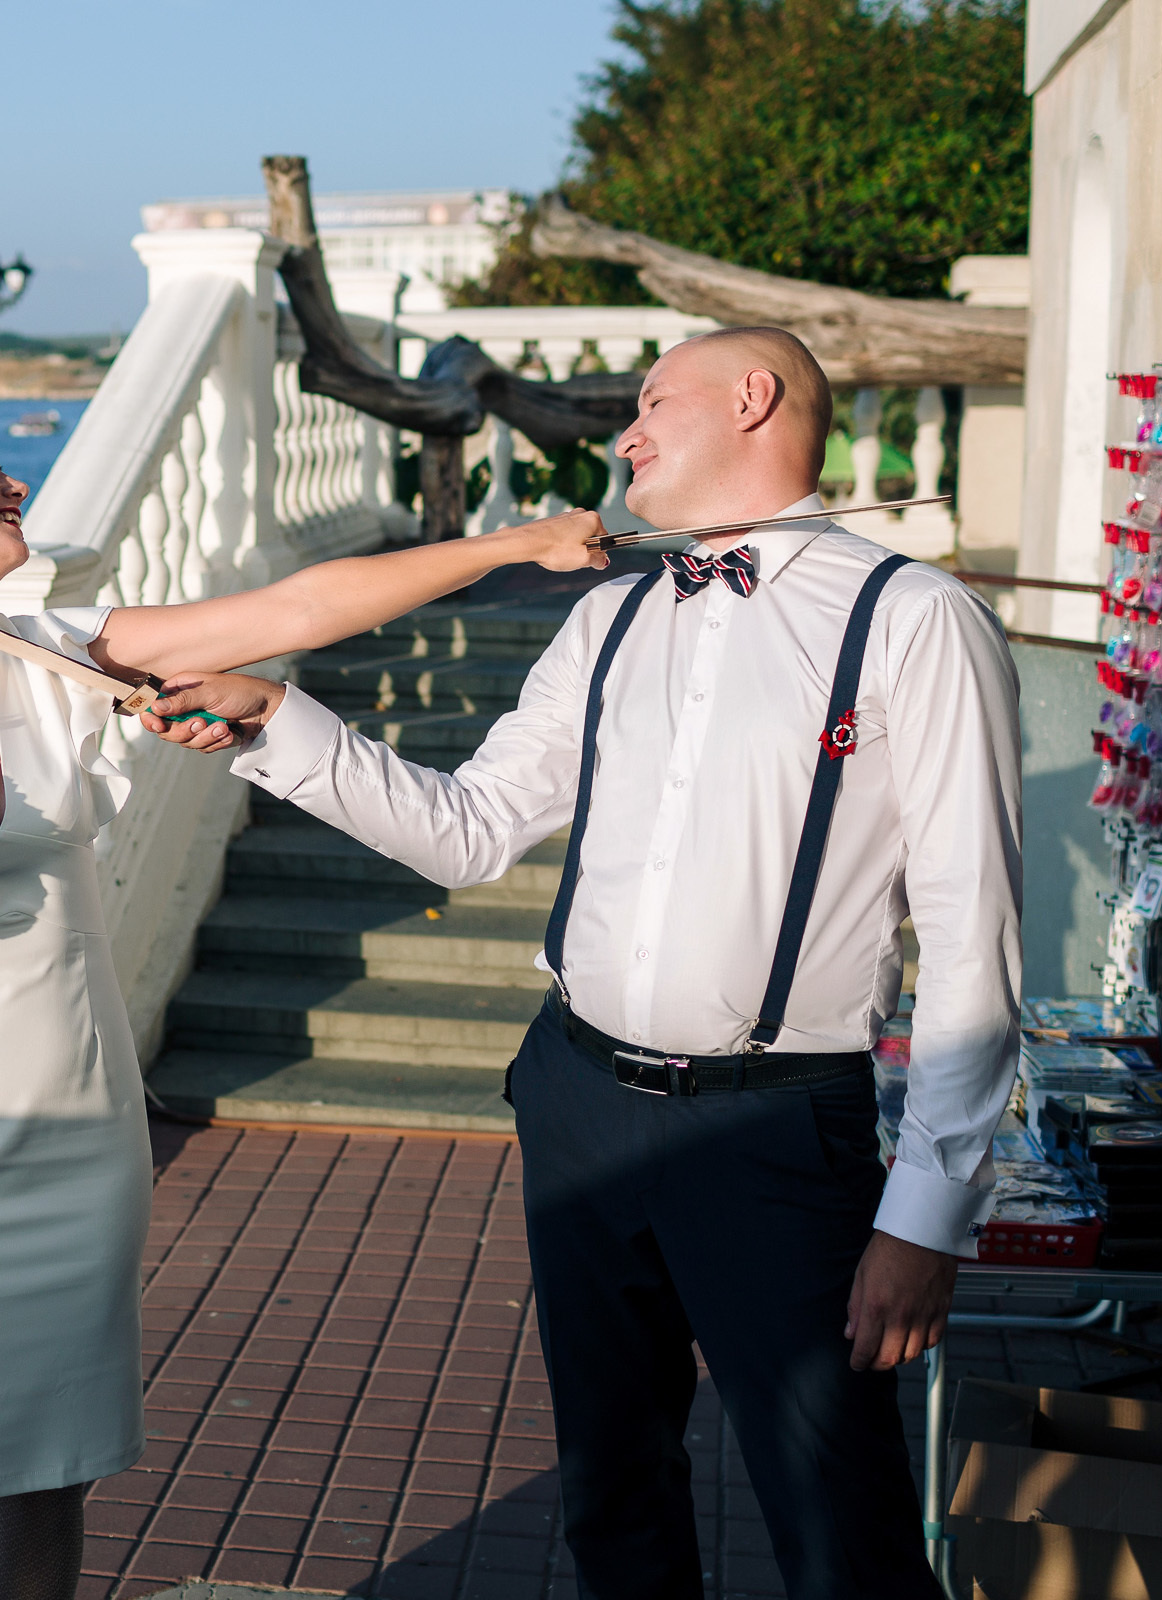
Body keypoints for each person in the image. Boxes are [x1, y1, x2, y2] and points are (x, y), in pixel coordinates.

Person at [144, 329, 1020, 1600]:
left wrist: (929, 1210)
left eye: (654, 401)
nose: (624, 435)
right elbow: (467, 829)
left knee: (842, 1532)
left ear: (754, 399)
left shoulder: (915, 619)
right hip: (576, 1100)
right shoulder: (607, 614)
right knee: (612, 1498)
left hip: (775, 1135)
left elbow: (973, 932)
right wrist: (276, 719)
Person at [0, 404, 601, 1598]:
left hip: (81, 1123)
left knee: (51, 1475)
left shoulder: (60, 652)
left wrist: (509, 546)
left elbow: (296, 610)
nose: (14, 485)